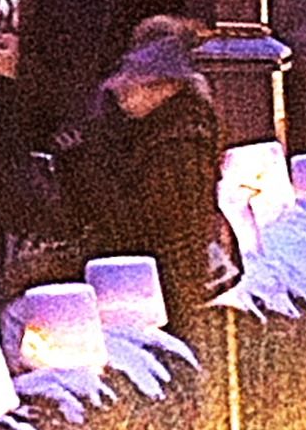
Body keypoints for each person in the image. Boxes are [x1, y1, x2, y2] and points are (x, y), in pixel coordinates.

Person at [62, 25, 230, 314]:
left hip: (161, 286)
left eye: (132, 85)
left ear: (167, 87)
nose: (120, 94)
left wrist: (83, 165)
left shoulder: (177, 147)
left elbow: (138, 223)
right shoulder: (151, 131)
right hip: (159, 277)